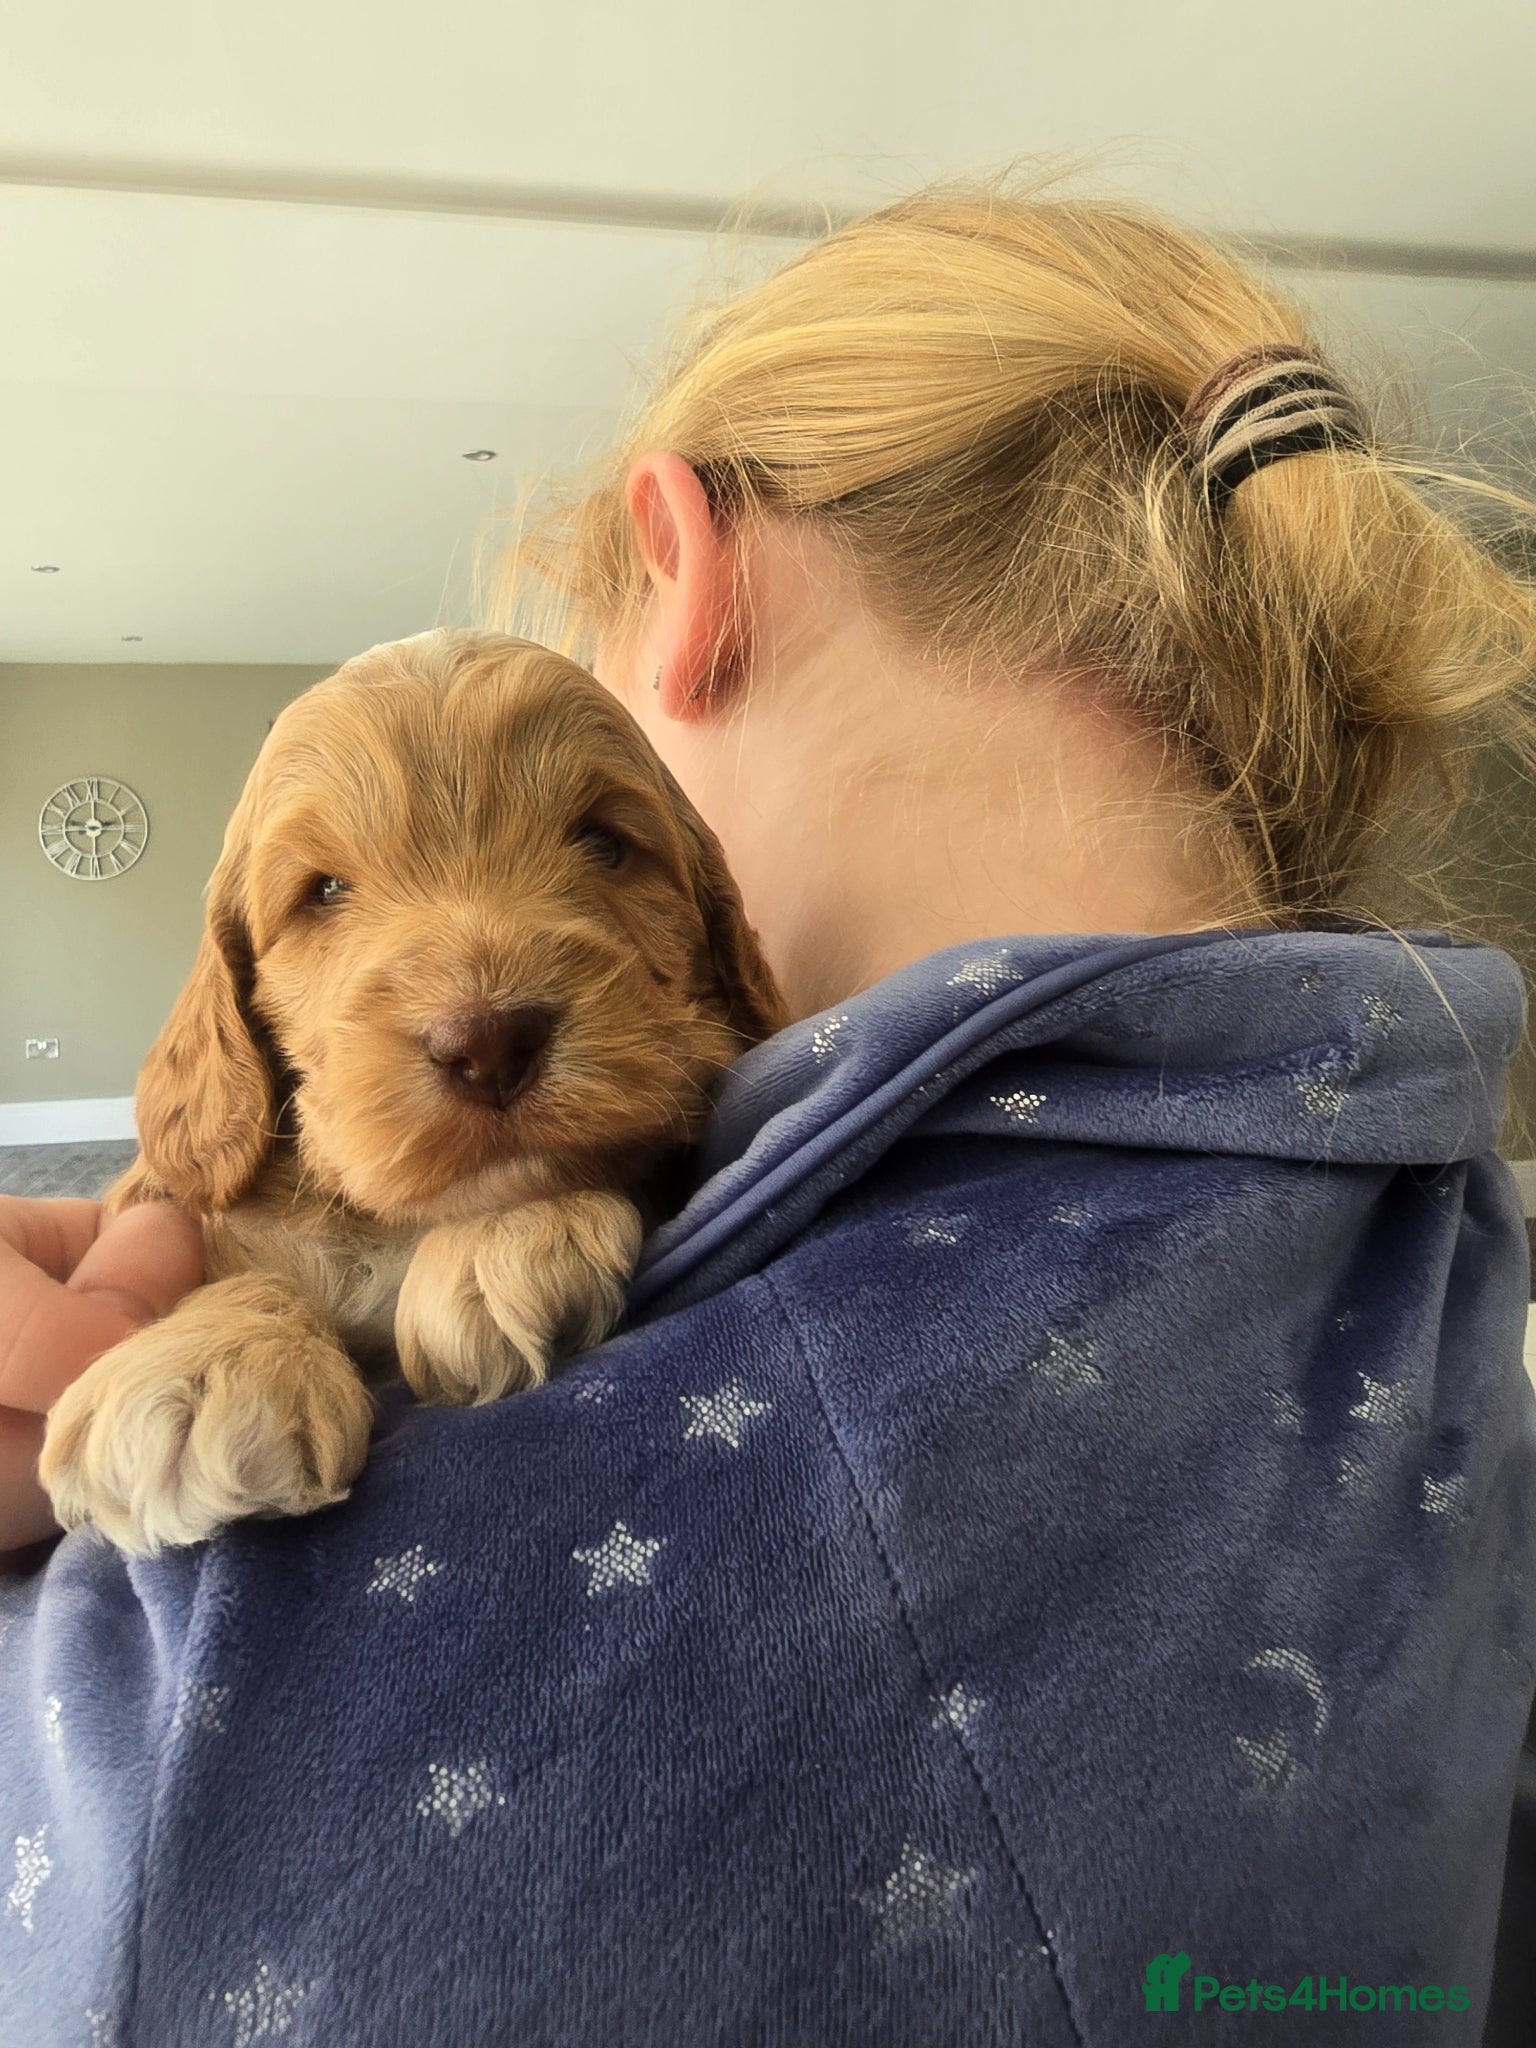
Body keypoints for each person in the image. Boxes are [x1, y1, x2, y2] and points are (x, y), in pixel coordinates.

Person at [3, 174, 1535, 2046]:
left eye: (601, 830)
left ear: (687, 570)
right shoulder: (1435, 1231)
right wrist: (250, 1296)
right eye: (331, 894)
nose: (482, 977)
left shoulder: (215, 1706)